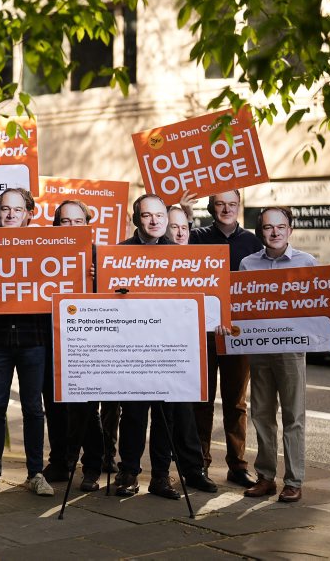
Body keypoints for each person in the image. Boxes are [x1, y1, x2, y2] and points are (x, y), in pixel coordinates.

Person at [114, 195, 216, 499]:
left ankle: (160, 476)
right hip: (133, 349)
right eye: (147, 215)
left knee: (165, 416)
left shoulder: (180, 255)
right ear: (137, 219)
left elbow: (198, 299)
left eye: (159, 215)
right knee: (133, 414)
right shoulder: (118, 253)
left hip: (170, 348)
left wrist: (217, 318)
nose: (154, 220)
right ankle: (128, 473)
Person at [220, 207, 319, 503]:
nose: (275, 232)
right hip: (259, 349)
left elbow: (317, 303)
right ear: (260, 232)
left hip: (290, 350)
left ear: (290, 230)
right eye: (268, 227)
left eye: (280, 226)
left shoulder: (306, 262)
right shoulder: (248, 264)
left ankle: (293, 481)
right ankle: (265, 477)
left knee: (293, 415)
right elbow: (239, 305)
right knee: (262, 414)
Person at [0, 188, 53, 498]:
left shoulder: (45, 246)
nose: (10, 214)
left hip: (33, 339)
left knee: (33, 408)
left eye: (17, 210)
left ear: (29, 214)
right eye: (5, 209)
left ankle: (36, 473)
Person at [187, 190, 262, 488]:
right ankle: (200, 464)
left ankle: (237, 466)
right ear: (211, 207)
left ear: (239, 207)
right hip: (203, 332)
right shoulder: (196, 237)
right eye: (220, 204)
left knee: (236, 402)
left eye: (232, 204)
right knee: (202, 401)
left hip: (237, 333)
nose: (226, 209)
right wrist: (185, 212)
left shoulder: (253, 242)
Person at [43, 200, 106, 492]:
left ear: (87, 225)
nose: (71, 227)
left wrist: (99, 280)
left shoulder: (99, 256)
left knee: (87, 407)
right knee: (54, 404)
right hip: (51, 337)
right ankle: (60, 460)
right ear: (56, 225)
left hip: (87, 340)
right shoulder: (43, 254)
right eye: (65, 221)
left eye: (78, 221)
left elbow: (117, 295)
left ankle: (92, 465)